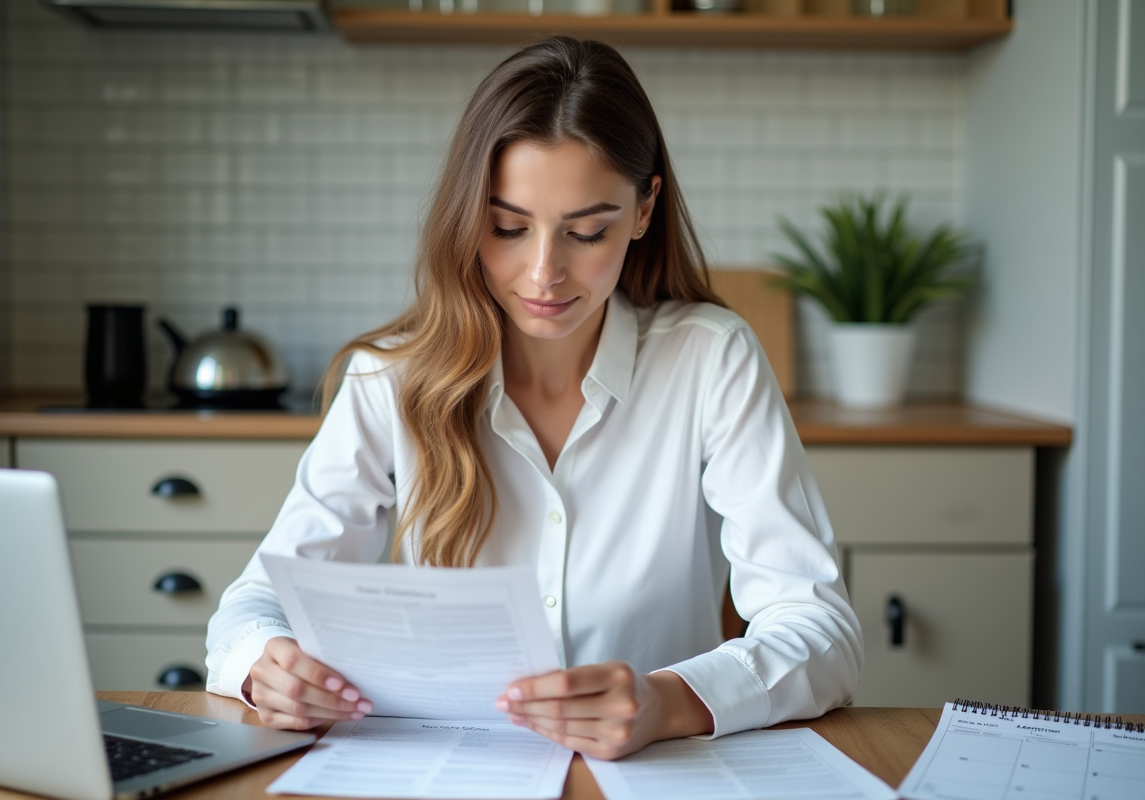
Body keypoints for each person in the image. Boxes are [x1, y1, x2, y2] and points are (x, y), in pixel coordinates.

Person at [206, 35, 863, 761]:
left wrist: (667, 702)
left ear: (644, 211)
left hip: (654, 777)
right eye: (508, 227)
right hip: (448, 772)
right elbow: (252, 605)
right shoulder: (386, 378)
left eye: (587, 232)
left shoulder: (712, 359)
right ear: (467, 215)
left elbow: (819, 630)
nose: (543, 272)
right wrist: (267, 664)